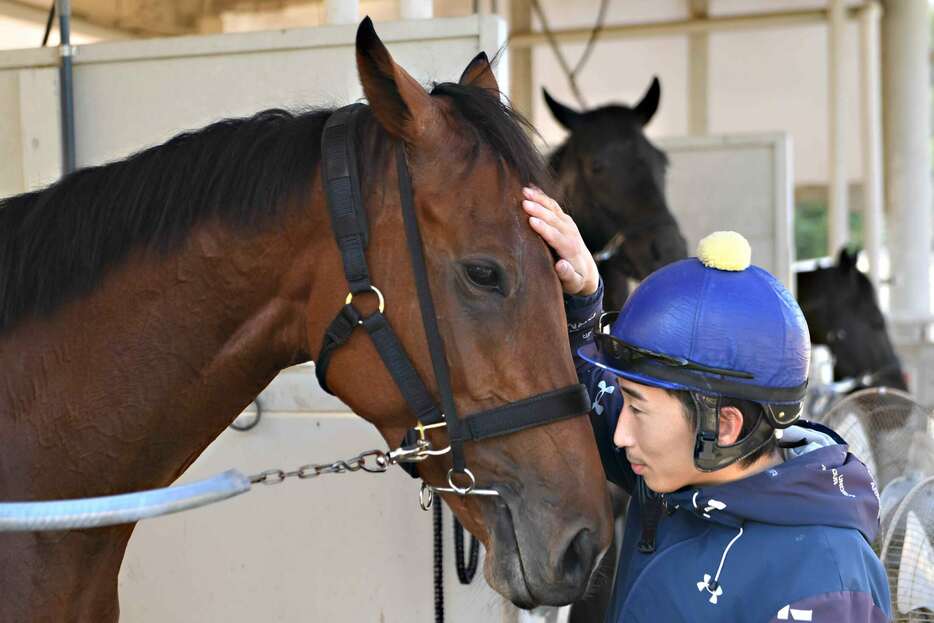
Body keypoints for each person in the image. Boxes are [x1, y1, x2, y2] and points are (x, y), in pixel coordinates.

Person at [521, 186, 892, 623]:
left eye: (637, 409)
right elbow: (594, 399)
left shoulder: (825, 579)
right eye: (627, 402)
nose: (621, 434)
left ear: (726, 426)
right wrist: (584, 298)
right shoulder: (680, 472)